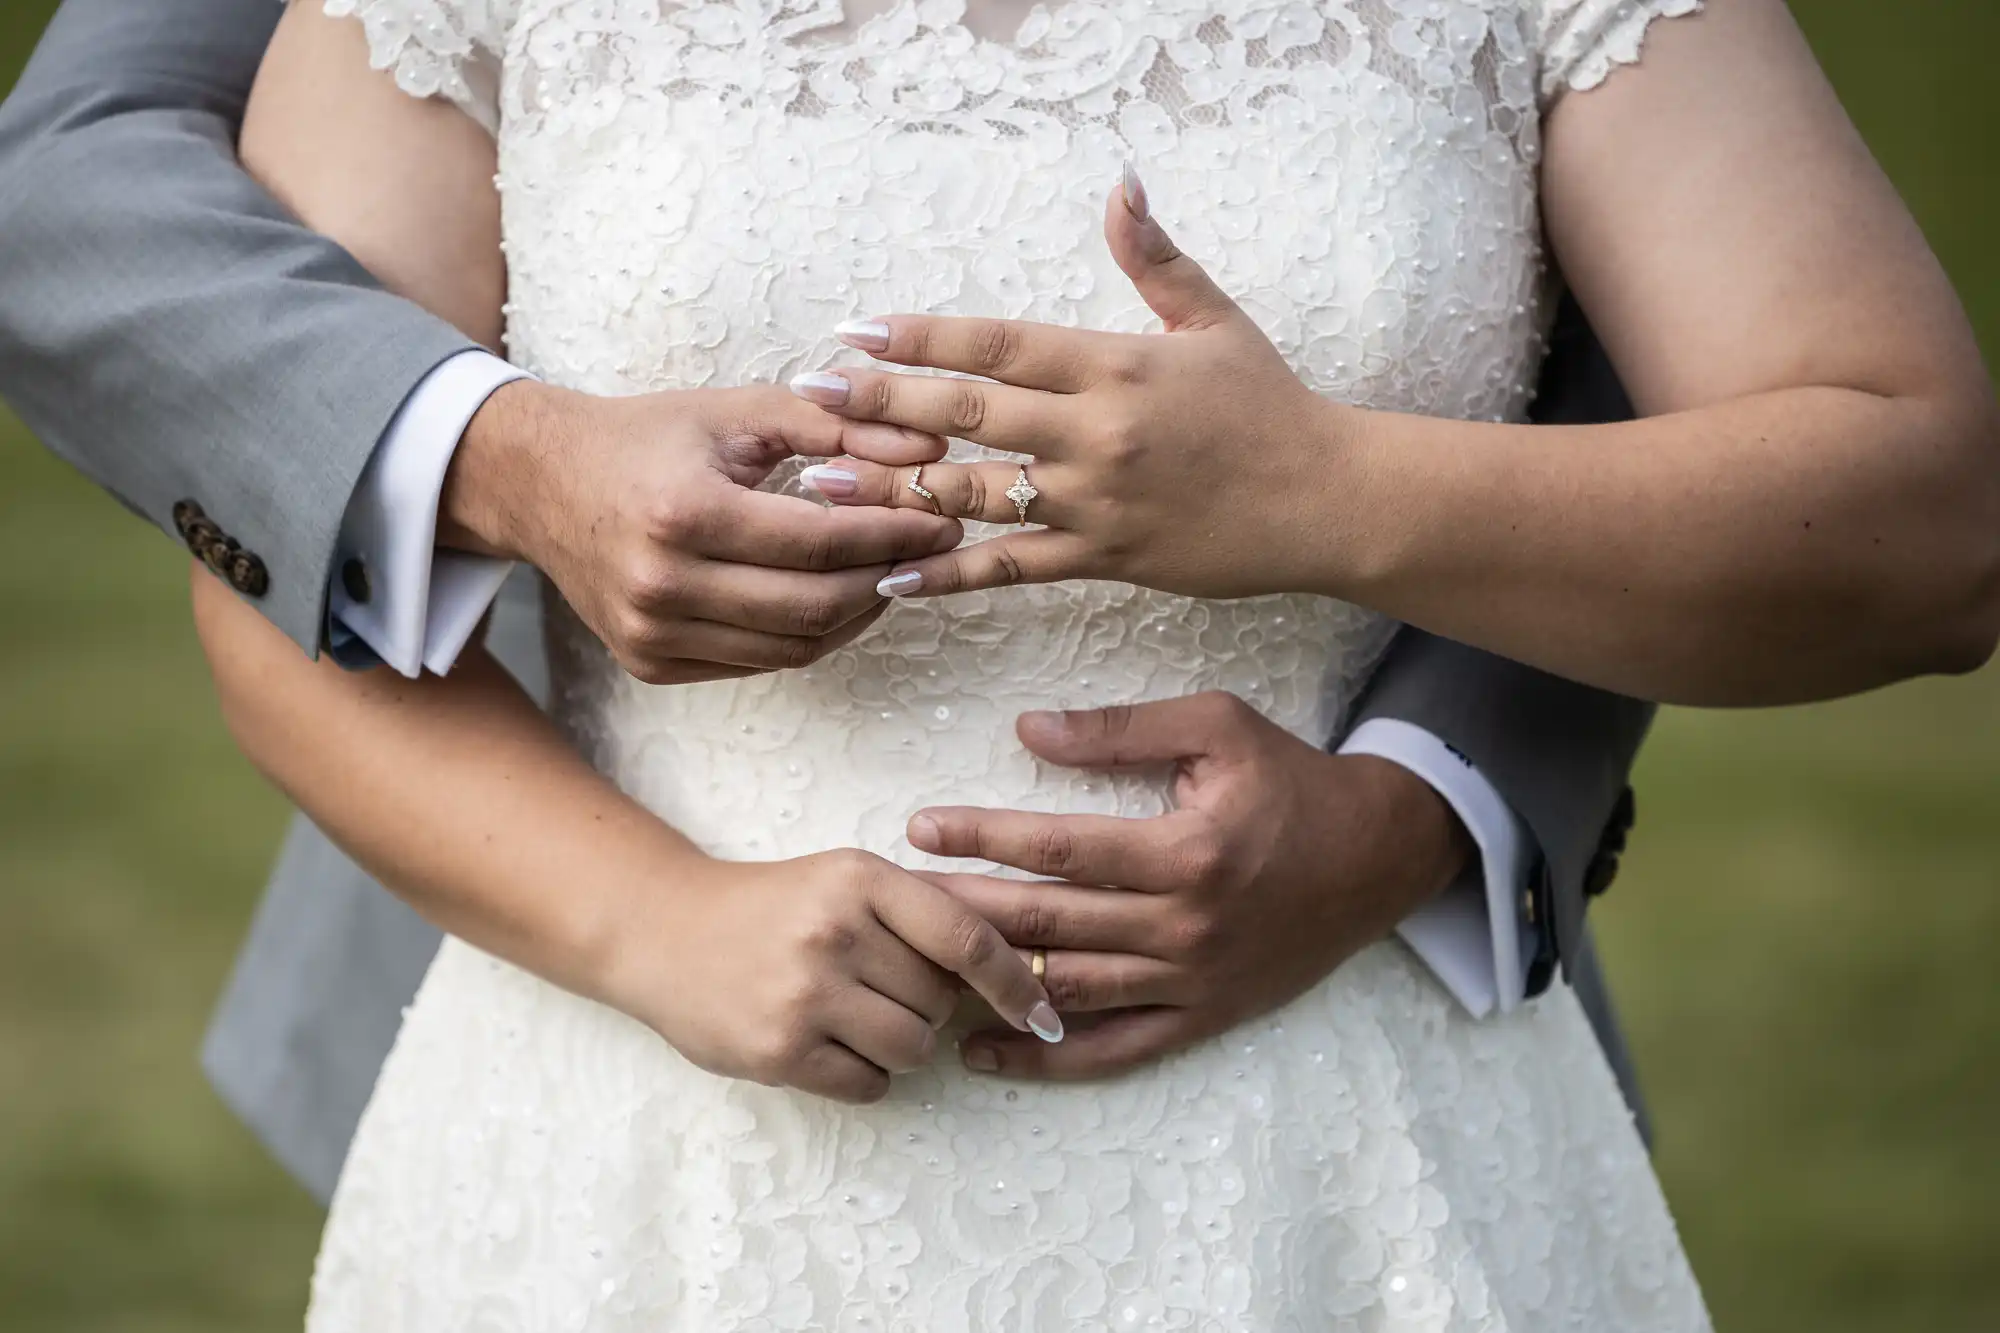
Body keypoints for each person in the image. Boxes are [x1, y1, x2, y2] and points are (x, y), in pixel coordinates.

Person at [192, 0, 2000, 1323]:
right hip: (656, 1169)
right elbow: (283, 572)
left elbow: (1930, 523)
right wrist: (650, 923)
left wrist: (1331, 494)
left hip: (1335, 1175)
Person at [0, 0, 1656, 1209]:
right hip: (602, 989)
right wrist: (509, 462)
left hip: (1353, 1059)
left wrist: (1427, 807)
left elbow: (1666, 350)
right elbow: (76, 176)